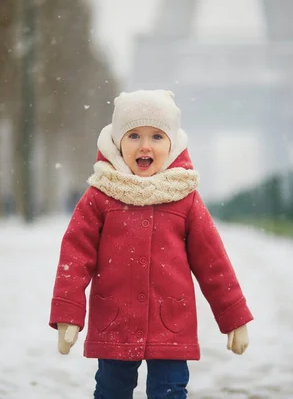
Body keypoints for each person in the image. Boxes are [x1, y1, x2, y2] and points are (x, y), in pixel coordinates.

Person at [49, 89, 253, 398]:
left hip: (170, 323)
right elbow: (75, 255)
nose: (145, 145)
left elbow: (213, 262)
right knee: (111, 390)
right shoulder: (101, 195)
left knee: (170, 391)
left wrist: (234, 316)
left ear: (173, 143)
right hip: (114, 322)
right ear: (117, 142)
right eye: (133, 136)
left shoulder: (184, 197)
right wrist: (69, 312)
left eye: (157, 136)